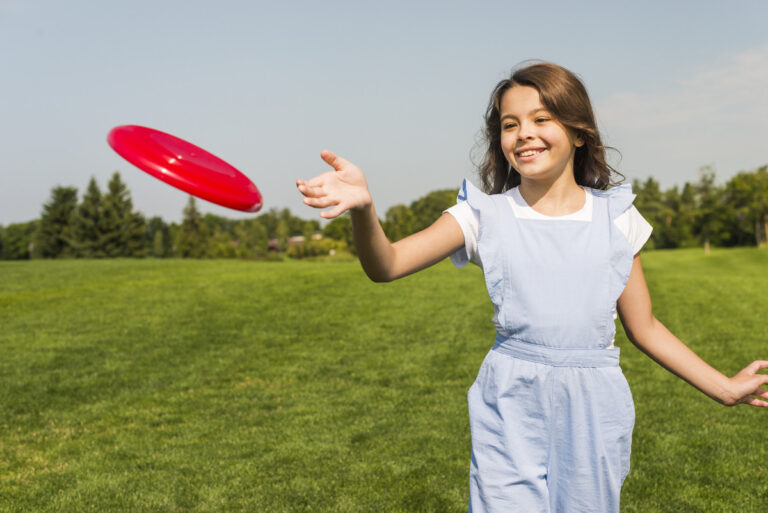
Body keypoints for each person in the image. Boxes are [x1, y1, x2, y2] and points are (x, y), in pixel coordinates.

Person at [296, 62, 768, 513]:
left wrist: (724, 388)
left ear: (579, 132)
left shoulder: (618, 218)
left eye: (542, 119)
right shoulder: (481, 215)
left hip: (594, 406)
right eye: (509, 124)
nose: (523, 133)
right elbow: (388, 264)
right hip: (509, 403)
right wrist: (364, 209)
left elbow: (643, 328)